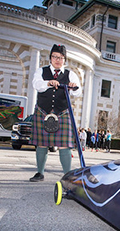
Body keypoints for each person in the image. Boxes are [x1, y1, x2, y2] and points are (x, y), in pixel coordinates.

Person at [30, 44, 82, 182]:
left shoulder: (70, 74)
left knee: (64, 145)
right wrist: (48, 83)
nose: (57, 60)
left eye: (60, 57)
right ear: (50, 58)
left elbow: (78, 92)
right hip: (43, 111)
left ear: (64, 60)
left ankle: (67, 176)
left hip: (62, 112)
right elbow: (36, 84)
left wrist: (73, 87)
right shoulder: (41, 71)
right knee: (41, 143)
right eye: (54, 57)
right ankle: (39, 173)